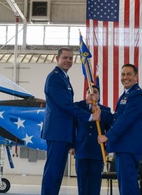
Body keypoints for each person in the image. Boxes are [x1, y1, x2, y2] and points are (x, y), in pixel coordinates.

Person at [41, 47, 101, 195]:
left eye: (70, 58)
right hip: (56, 132)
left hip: (63, 133)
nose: (68, 61)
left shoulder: (64, 78)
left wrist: (85, 102)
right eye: (65, 58)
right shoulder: (54, 77)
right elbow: (64, 105)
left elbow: (68, 104)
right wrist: (89, 116)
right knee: (53, 172)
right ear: (57, 58)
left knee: (58, 173)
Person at [98, 63, 142, 195]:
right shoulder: (126, 94)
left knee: (128, 186)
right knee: (125, 185)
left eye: (129, 74)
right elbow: (117, 117)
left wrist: (108, 136)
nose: (125, 77)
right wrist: (100, 113)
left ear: (136, 76)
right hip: (123, 146)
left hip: (129, 146)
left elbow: (126, 119)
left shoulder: (137, 95)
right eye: (123, 74)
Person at [71, 85, 113, 195]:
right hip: (81, 150)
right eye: (89, 92)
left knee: (95, 183)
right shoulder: (78, 108)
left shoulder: (105, 111)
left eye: (95, 92)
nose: (92, 94)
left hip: (97, 151)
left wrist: (108, 147)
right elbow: (71, 127)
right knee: (82, 183)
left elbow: (110, 130)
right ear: (86, 95)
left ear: (99, 96)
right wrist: (71, 146)